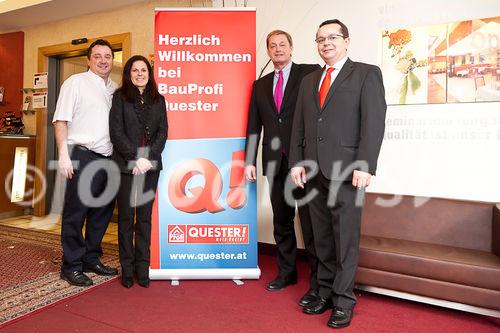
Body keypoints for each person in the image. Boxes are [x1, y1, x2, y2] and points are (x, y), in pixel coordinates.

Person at [289, 19, 386, 328]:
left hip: (347, 172)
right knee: (321, 239)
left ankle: (344, 301)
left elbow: (373, 124)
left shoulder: (366, 74)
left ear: (346, 41)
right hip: (313, 171)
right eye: (320, 39)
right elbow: (299, 128)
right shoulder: (309, 80)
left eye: (332, 37)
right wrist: (296, 163)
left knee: (345, 240)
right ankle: (325, 291)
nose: (325, 43)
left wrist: (365, 165)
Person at [244, 30, 321, 306]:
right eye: (272, 46)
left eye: (282, 44)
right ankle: (287, 273)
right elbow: (254, 126)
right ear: (268, 51)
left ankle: (318, 281)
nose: (277, 49)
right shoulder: (260, 85)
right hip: (275, 163)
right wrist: (249, 161)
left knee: (311, 223)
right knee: (282, 221)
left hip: (303, 162)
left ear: (291, 47)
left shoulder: (310, 73)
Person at [53, 39, 119, 287]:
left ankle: (91, 258)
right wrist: (63, 154)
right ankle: (70, 265)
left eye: (108, 56)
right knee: (76, 213)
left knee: (101, 213)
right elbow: (61, 120)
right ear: (89, 60)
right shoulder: (75, 83)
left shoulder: (114, 88)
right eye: (98, 56)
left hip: (109, 158)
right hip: (82, 155)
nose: (103, 60)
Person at [109, 55, 167, 288]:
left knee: (144, 218)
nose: (140, 74)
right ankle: (127, 268)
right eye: (135, 70)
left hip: (151, 168)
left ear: (149, 73)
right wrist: (136, 158)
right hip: (125, 167)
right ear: (128, 74)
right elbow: (116, 132)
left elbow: (163, 133)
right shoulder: (120, 98)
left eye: (144, 70)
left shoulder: (158, 99)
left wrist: (146, 160)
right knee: (125, 218)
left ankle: (143, 268)